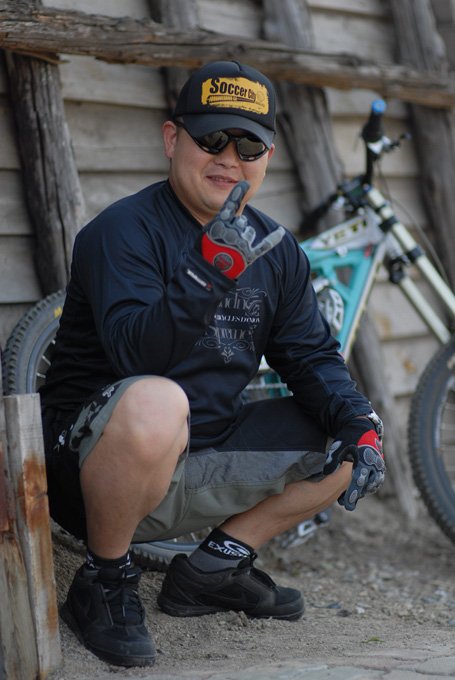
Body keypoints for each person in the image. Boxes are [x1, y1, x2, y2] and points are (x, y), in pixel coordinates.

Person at [40, 60, 385, 668]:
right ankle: (103, 579)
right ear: (172, 139)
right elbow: (135, 355)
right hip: (92, 473)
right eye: (211, 139)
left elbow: (310, 356)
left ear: (268, 156)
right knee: (157, 400)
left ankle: (212, 571)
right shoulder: (121, 230)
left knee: (351, 432)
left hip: (204, 454)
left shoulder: (276, 248)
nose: (229, 158)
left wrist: (359, 423)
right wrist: (206, 274)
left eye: (247, 146)